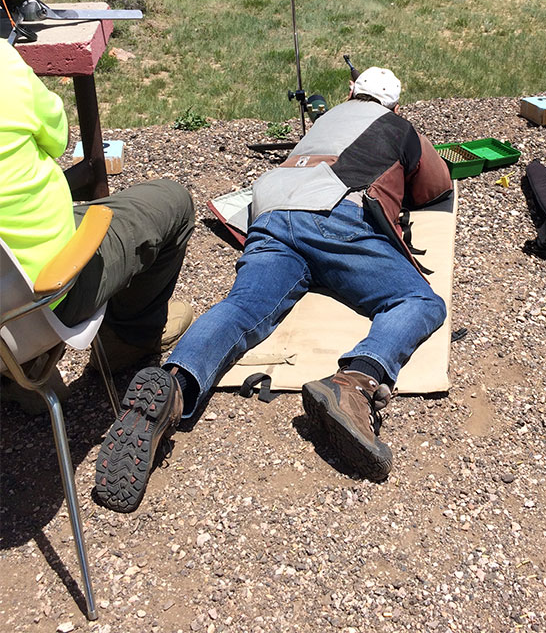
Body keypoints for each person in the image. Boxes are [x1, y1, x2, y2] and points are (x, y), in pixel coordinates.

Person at [95, 66, 452, 512]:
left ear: (350, 94)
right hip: (334, 213)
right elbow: (436, 186)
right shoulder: (399, 127)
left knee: (242, 308)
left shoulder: (326, 119)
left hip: (269, 212)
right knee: (418, 300)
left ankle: (176, 384)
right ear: (395, 107)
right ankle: (355, 382)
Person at [0, 39, 196, 398]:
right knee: (173, 201)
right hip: (42, 300)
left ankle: (18, 375)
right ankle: (129, 339)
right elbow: (58, 139)